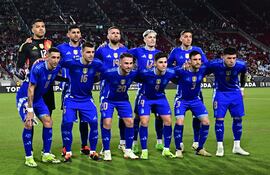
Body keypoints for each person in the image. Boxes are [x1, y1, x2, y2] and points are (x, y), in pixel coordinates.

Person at [16, 47, 61, 167]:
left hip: (38, 98)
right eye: (53, 57)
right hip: (25, 97)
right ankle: (29, 157)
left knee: (48, 122)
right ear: (47, 57)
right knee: (29, 123)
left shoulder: (57, 67)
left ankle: (46, 154)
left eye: (57, 58)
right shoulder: (38, 68)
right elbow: (30, 89)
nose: (55, 60)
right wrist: (30, 110)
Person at [60, 42, 104, 162]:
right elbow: (55, 63)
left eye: (93, 52)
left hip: (86, 99)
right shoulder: (72, 63)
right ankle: (67, 152)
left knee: (94, 123)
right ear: (82, 52)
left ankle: (93, 152)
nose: (91, 55)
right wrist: (42, 60)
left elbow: (107, 71)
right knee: (68, 123)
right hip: (71, 98)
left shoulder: (96, 63)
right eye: (88, 52)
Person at [206, 47, 250, 157]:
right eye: (229, 58)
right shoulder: (214, 65)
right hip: (220, 93)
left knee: (238, 119)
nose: (232, 61)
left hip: (235, 94)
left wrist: (242, 88)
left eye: (234, 58)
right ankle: (220, 147)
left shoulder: (241, 65)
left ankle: (237, 146)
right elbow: (202, 72)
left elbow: (244, 75)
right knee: (219, 119)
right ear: (223, 57)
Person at [168, 30, 208, 151]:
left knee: (198, 118)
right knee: (180, 119)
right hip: (183, 87)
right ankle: (179, 145)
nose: (188, 39)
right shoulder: (175, 51)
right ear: (181, 38)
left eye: (190, 37)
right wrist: (180, 71)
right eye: (185, 37)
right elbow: (168, 67)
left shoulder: (198, 50)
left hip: (196, 89)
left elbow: (206, 64)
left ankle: (196, 141)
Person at [57, 25, 90, 156]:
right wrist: (63, 80)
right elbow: (55, 64)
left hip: (84, 90)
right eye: (73, 32)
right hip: (68, 90)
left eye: (78, 32)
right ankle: (66, 146)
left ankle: (84, 145)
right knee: (67, 120)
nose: (76, 34)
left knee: (85, 119)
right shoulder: (61, 48)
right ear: (68, 34)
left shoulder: (86, 49)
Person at [128, 29, 164, 153]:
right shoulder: (138, 51)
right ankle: (134, 143)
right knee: (138, 117)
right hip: (143, 89)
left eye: (154, 37)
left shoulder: (160, 53)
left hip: (157, 90)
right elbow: (123, 53)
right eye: (149, 37)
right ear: (144, 39)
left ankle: (159, 142)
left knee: (159, 116)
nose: (152, 39)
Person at [95, 26, 128, 152]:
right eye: (113, 33)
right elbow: (95, 64)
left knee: (123, 117)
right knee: (105, 118)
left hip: (122, 89)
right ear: (108, 36)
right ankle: (104, 145)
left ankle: (123, 142)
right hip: (106, 88)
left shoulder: (125, 50)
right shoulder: (101, 50)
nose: (115, 35)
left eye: (117, 33)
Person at [100, 53, 139, 161]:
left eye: (131, 63)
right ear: (119, 63)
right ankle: (106, 151)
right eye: (126, 63)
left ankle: (128, 150)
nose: (129, 66)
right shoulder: (109, 73)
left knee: (130, 122)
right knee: (107, 123)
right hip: (108, 100)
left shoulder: (133, 73)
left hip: (123, 100)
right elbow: (94, 78)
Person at [137, 52, 176, 159]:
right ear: (154, 63)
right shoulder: (145, 73)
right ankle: (144, 151)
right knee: (144, 121)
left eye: (165, 62)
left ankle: (166, 149)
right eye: (160, 62)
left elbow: (180, 74)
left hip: (160, 98)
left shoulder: (170, 72)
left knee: (168, 121)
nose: (163, 65)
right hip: (146, 98)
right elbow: (133, 76)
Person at [173, 51, 211, 158]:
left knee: (206, 122)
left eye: (199, 59)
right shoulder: (182, 71)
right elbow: (169, 71)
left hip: (195, 100)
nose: (198, 62)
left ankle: (200, 148)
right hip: (182, 100)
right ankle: (178, 149)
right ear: (189, 61)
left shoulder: (203, 70)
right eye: (195, 59)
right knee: (180, 122)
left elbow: (213, 66)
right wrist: (180, 67)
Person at [17, 19, 55, 116]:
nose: (41, 29)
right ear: (32, 29)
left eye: (43, 26)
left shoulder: (51, 43)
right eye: (37, 27)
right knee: (30, 119)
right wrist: (23, 74)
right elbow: (19, 66)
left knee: (48, 118)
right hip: (33, 85)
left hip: (47, 85)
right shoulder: (26, 45)